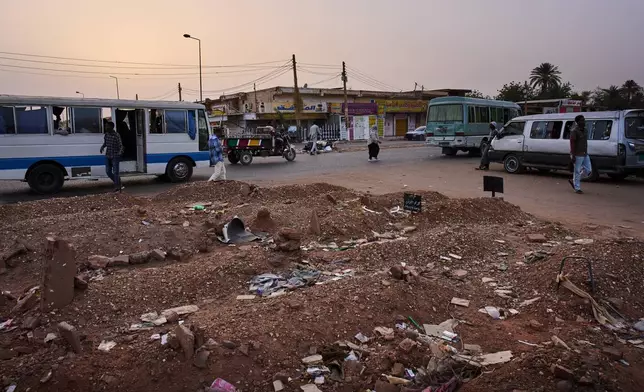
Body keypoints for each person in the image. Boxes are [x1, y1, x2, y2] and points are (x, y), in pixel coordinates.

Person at [568, 115, 591, 194]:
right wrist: (573, 155)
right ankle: (577, 188)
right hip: (577, 154)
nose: (584, 122)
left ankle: (573, 180)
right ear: (578, 122)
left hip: (585, 153)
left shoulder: (585, 130)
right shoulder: (574, 131)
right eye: (582, 120)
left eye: (584, 120)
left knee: (588, 170)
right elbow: (572, 143)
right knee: (577, 171)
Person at [100, 121, 124, 192]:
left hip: (115, 156)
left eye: (107, 126)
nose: (106, 127)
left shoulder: (116, 135)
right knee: (108, 172)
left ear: (111, 127)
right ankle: (118, 182)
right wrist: (102, 147)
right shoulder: (106, 134)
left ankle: (117, 186)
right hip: (108, 155)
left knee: (116, 172)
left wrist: (120, 153)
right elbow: (105, 143)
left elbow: (121, 145)